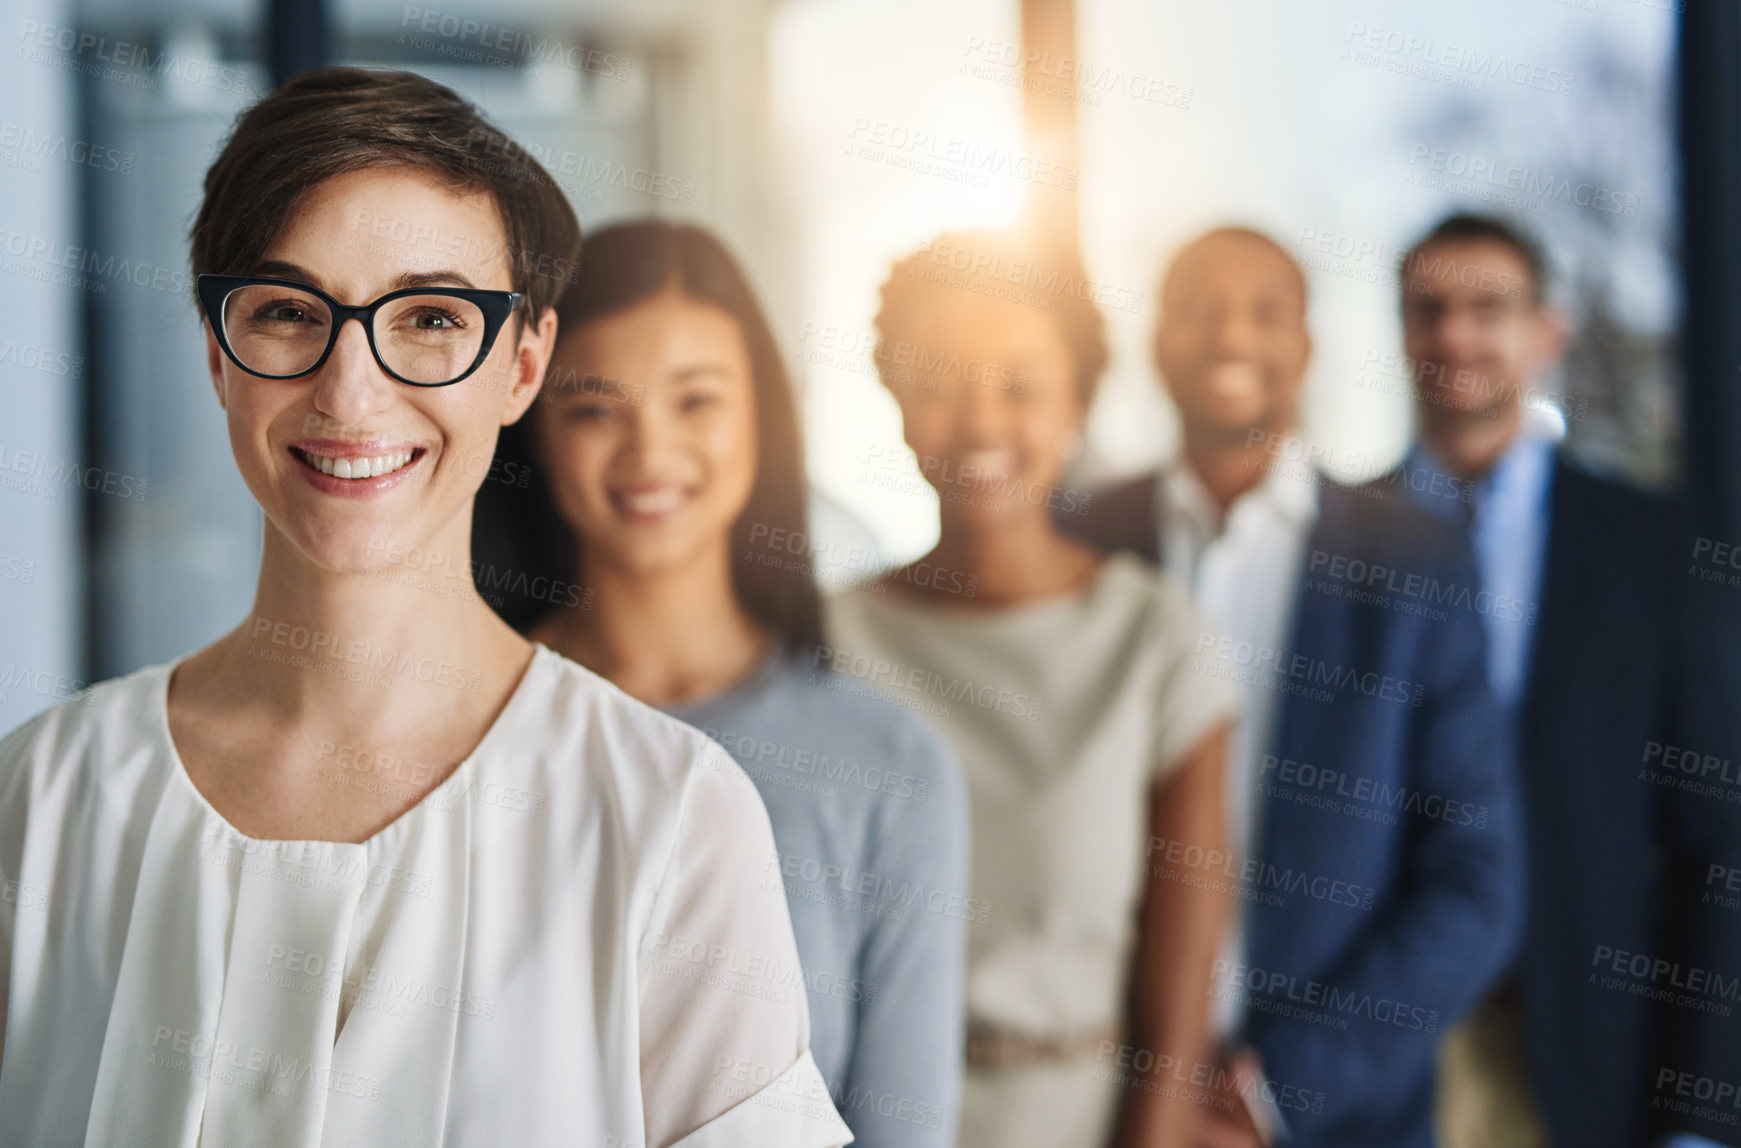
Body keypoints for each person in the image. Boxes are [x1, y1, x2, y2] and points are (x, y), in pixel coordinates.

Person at [0, 68, 850, 1148]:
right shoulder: (41, 797)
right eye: (285, 311)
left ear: (522, 364)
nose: (350, 391)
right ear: (218, 350)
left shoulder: (670, 816)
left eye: (432, 317)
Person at [471, 219, 970, 1148]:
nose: (649, 452)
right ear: (532, 424)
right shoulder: (456, 728)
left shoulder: (889, 766)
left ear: (761, 420)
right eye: (593, 408)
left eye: (695, 401)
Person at [1060, 226, 1523, 1148]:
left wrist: (1272, 1095)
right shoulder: (1078, 543)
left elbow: (1474, 882)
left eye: (1266, 312)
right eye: (1199, 309)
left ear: (1305, 348)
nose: (1232, 335)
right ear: (1157, 342)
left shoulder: (1414, 563)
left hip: (1337, 1118)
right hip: (1093, 1104)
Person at [823, 228, 1239, 1148]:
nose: (979, 424)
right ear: (893, 396)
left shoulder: (1154, 639)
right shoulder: (826, 642)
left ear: (1076, 403)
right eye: (937, 382)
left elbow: (1181, 1001)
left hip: (1081, 1117)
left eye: (1019, 387)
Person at [1390, 213, 1735, 1148]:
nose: (1452, 335)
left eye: (1486, 308)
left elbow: (1715, 842)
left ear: (1547, 332)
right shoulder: (1340, 540)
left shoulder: (1650, 546)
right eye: (1427, 310)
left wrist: (1700, 1114)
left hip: (1594, 1060)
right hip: (1378, 1064)